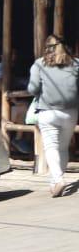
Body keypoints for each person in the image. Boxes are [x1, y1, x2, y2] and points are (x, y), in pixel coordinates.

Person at [28, 34, 79, 197]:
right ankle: (55, 180)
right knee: (62, 147)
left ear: (47, 48)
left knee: (51, 147)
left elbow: (32, 89)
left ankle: (58, 179)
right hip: (70, 112)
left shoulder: (39, 64)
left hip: (48, 111)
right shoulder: (76, 64)